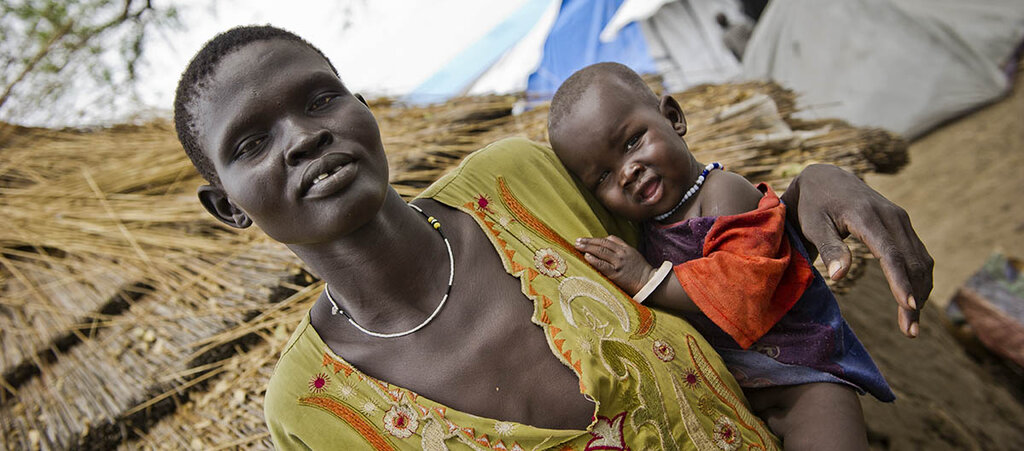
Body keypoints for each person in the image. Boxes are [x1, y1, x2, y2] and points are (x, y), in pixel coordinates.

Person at [173, 25, 932, 450]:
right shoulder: (310, 408)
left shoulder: (520, 182)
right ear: (227, 206)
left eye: (320, 99)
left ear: (363, 110)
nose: (304, 138)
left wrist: (816, 182)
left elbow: (726, 236)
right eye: (250, 143)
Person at [548, 62, 903, 449]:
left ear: (673, 118)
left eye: (632, 142)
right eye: (603, 177)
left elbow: (741, 286)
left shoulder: (723, 195)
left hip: (806, 381)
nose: (627, 172)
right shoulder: (648, 231)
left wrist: (648, 279)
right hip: (735, 397)